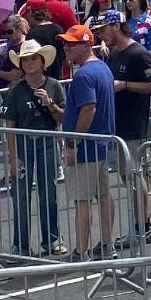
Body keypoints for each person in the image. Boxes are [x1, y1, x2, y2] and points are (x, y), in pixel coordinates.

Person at [0, 40, 66, 259]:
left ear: (42, 62)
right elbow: (9, 125)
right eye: (25, 60)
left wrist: (49, 103)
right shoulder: (15, 90)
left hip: (46, 142)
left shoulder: (54, 85)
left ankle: (52, 239)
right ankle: (21, 245)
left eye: (33, 59)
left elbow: (60, 117)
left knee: (50, 193)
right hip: (23, 143)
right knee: (20, 195)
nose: (29, 63)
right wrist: (13, 157)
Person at [101, 10, 151, 248]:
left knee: (135, 176)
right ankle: (139, 225)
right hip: (120, 124)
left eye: (104, 29)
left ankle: (143, 227)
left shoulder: (138, 53)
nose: (101, 35)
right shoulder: (115, 52)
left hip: (134, 126)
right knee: (129, 176)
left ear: (116, 27)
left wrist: (124, 85)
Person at [59, 24, 118, 260]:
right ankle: (106, 244)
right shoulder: (102, 68)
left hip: (87, 146)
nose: (66, 48)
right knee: (103, 195)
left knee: (82, 200)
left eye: (71, 44)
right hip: (101, 144)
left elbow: (88, 109)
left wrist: (73, 143)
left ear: (85, 45)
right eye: (65, 44)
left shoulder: (83, 74)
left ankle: (81, 251)